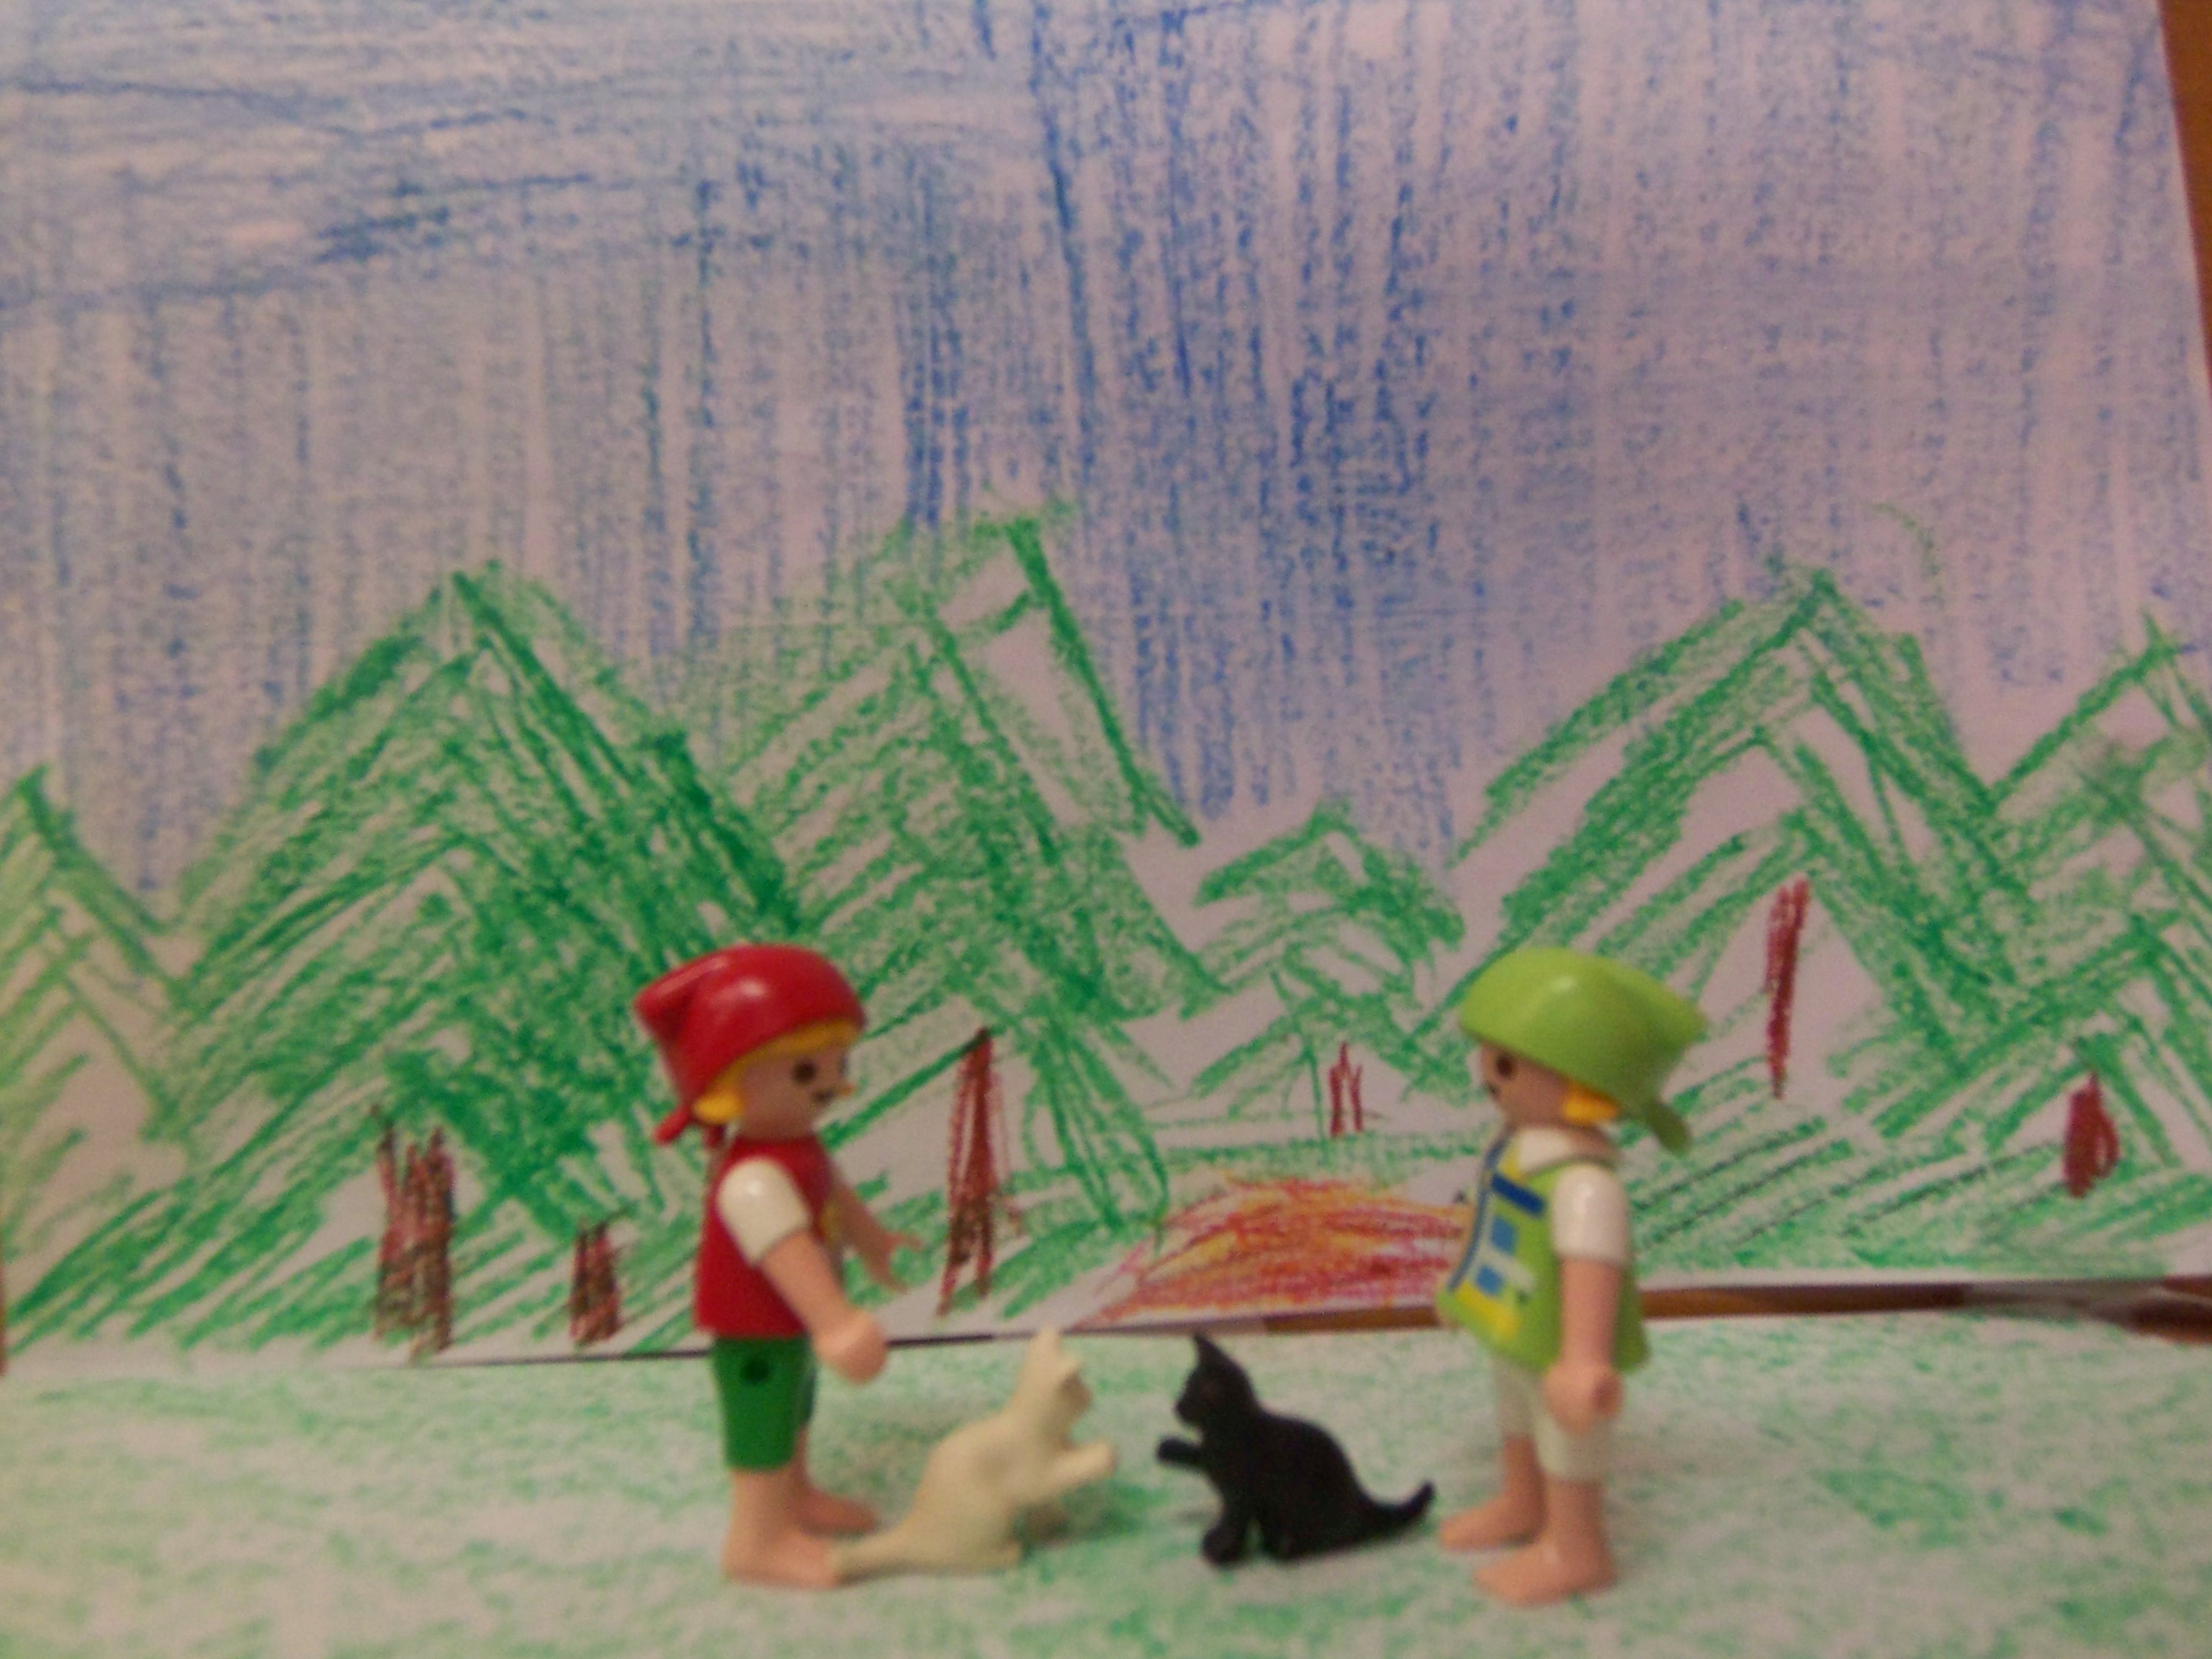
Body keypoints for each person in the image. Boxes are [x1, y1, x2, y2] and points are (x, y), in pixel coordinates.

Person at [636, 944, 917, 1588]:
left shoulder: (800, 1148)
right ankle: (756, 1543)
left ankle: (797, 1499)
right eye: (805, 1070)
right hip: (757, 1331)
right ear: (727, 1086)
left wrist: (872, 1240)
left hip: (789, 1330)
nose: (828, 1083)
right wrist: (836, 1323)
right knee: (762, 1430)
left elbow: (835, 1195)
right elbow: (785, 1251)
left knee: (797, 1410)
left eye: (839, 1064)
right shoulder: (754, 1179)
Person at [1435, 947, 1704, 1604]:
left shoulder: (1585, 1185)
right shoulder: (1510, 1149)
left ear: (1583, 1086)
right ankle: (1524, 1504)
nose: (1488, 1077)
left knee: (1566, 1441)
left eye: (1507, 1064)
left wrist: (1583, 1360)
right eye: (1489, 1058)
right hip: (1508, 1321)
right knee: (1515, 1415)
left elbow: (1591, 1270)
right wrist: (1457, 1285)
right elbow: (1483, 1218)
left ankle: (1578, 1549)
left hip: (1559, 1350)